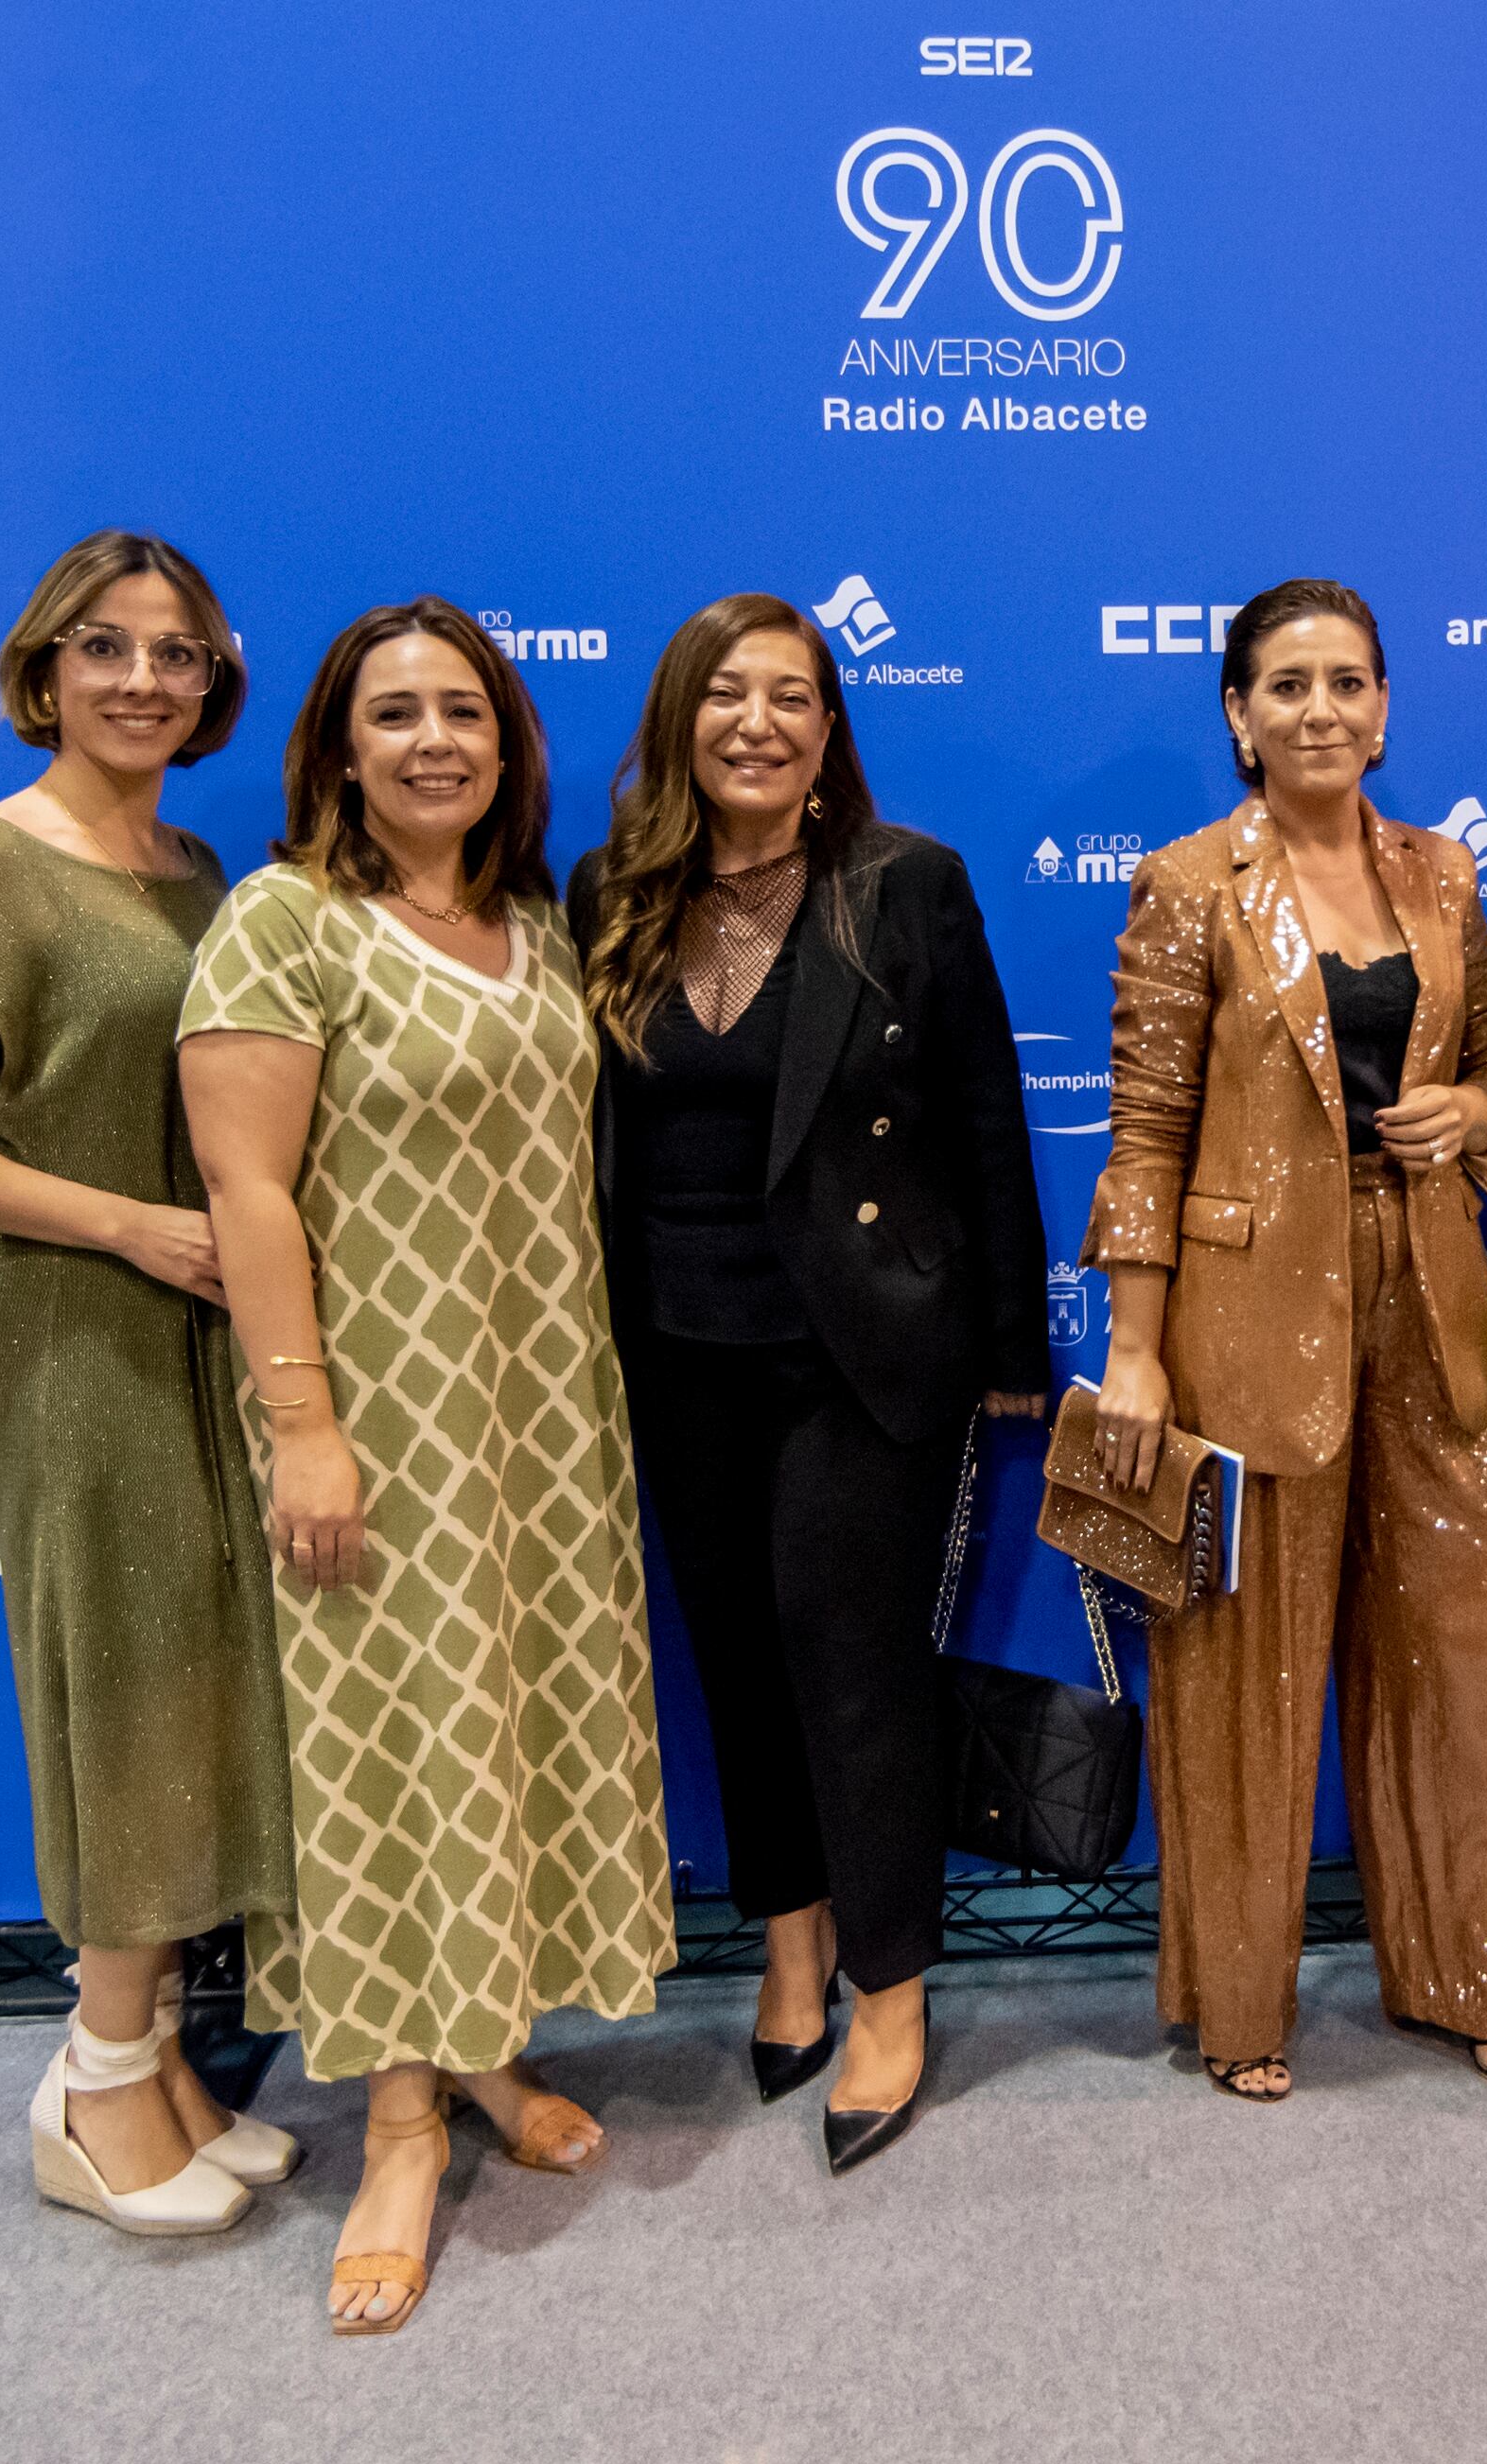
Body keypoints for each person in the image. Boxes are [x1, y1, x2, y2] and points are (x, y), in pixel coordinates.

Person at [179, 597, 676, 2332]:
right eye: (393, 714)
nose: (433, 741)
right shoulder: (283, 923)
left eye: (462, 709)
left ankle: (478, 2055)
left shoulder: (533, 923)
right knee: (395, 1742)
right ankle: (396, 2126)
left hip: (538, 1411)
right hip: (377, 1416)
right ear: (337, 746)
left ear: (506, 741)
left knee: (506, 1728)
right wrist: (304, 1425)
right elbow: (248, 1193)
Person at [0, 530, 298, 2241]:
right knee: (124, 1686)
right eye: (107, 648)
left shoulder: (195, 868)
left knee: (194, 1677)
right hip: (72, 1331)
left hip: (197, 1322)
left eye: (176, 653)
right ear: (46, 666)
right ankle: (100, 2085)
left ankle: (155, 2056)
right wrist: (129, 1227)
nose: (143, 680)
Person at [569, 596, 1050, 2175]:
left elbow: (986, 1119)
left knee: (853, 1666)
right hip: (673, 1348)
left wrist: (1007, 1358)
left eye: (791, 696)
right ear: (678, 720)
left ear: (830, 728)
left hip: (864, 1353)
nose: (757, 723)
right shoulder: (610, 893)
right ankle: (791, 1943)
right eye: (726, 695)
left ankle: (891, 1985)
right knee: (739, 1665)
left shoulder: (905, 885)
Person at [1083, 577, 1487, 2103]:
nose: (1319, 710)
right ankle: (1240, 2007)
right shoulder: (1181, 884)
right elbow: (1146, 1133)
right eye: (1285, 685)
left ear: (1386, 705)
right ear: (1236, 713)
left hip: (1427, 1287)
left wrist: (1468, 1113)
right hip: (1241, 1308)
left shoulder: (1441, 875)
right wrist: (1135, 1350)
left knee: (1463, 1640)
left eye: (1346, 681)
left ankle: (1473, 1975)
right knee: (1241, 1667)